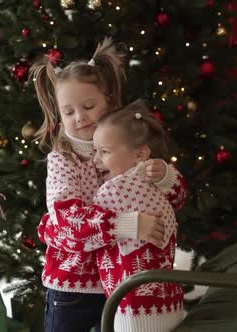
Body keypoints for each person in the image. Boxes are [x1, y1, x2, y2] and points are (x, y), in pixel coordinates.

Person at [30, 38, 187, 332]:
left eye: (89, 106)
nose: (80, 117)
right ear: (58, 115)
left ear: (109, 102)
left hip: (122, 285)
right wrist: (125, 225)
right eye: (69, 112)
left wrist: (165, 176)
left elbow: (172, 202)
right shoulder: (63, 160)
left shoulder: (128, 146)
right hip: (73, 289)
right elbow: (64, 222)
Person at [92, 100, 184, 332]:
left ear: (139, 154)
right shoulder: (155, 184)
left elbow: (88, 231)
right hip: (168, 301)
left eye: (104, 152)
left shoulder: (113, 190)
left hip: (130, 308)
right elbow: (180, 196)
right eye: (95, 151)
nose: (95, 160)